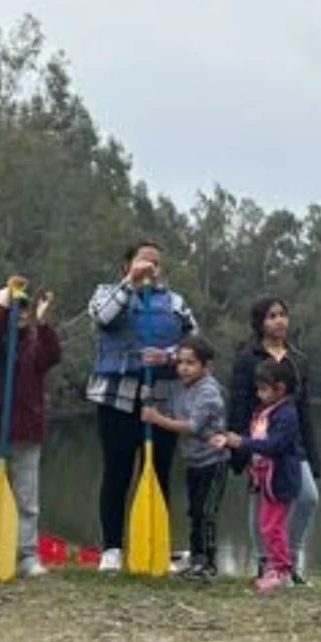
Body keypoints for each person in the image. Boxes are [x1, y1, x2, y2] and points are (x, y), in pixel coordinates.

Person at [86, 240, 198, 571]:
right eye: (143, 260)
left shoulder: (176, 303)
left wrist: (170, 356)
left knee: (159, 471)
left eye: (156, 262)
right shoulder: (106, 292)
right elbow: (103, 317)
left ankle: (155, 544)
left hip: (161, 398)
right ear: (127, 264)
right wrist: (130, 284)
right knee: (116, 471)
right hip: (116, 397)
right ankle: (112, 549)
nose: (151, 267)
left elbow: (196, 345)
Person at [228, 297, 321, 583]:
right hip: (258, 442)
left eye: (283, 314)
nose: (279, 321)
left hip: (292, 443)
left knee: (307, 497)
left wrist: (313, 455)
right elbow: (239, 403)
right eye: (271, 316)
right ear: (260, 323)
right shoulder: (247, 358)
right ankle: (265, 562)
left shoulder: (298, 359)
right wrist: (240, 447)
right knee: (261, 502)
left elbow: (303, 409)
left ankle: (288, 560)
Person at [0, 278, 62, 578]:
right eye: (13, 308)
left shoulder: (34, 347)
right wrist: (4, 308)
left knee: (27, 500)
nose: (19, 313)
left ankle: (26, 555)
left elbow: (53, 355)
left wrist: (44, 321)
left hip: (26, 433)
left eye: (24, 309)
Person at [141, 335, 229, 579]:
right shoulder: (181, 388)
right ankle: (197, 559)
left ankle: (208, 563)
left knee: (206, 512)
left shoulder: (209, 392)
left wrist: (157, 419)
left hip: (214, 461)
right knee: (194, 511)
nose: (183, 368)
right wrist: (150, 399)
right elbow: (171, 411)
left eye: (190, 363)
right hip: (194, 462)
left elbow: (192, 427)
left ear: (206, 366)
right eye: (180, 362)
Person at [212, 359, 301, 593]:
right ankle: (275, 567)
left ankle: (281, 570)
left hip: (281, 481)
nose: (259, 394)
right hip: (265, 480)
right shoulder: (264, 412)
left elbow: (274, 445)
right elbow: (255, 439)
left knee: (273, 526)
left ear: (280, 389)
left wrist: (241, 442)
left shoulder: (287, 414)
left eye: (263, 389)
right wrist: (230, 441)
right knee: (266, 525)